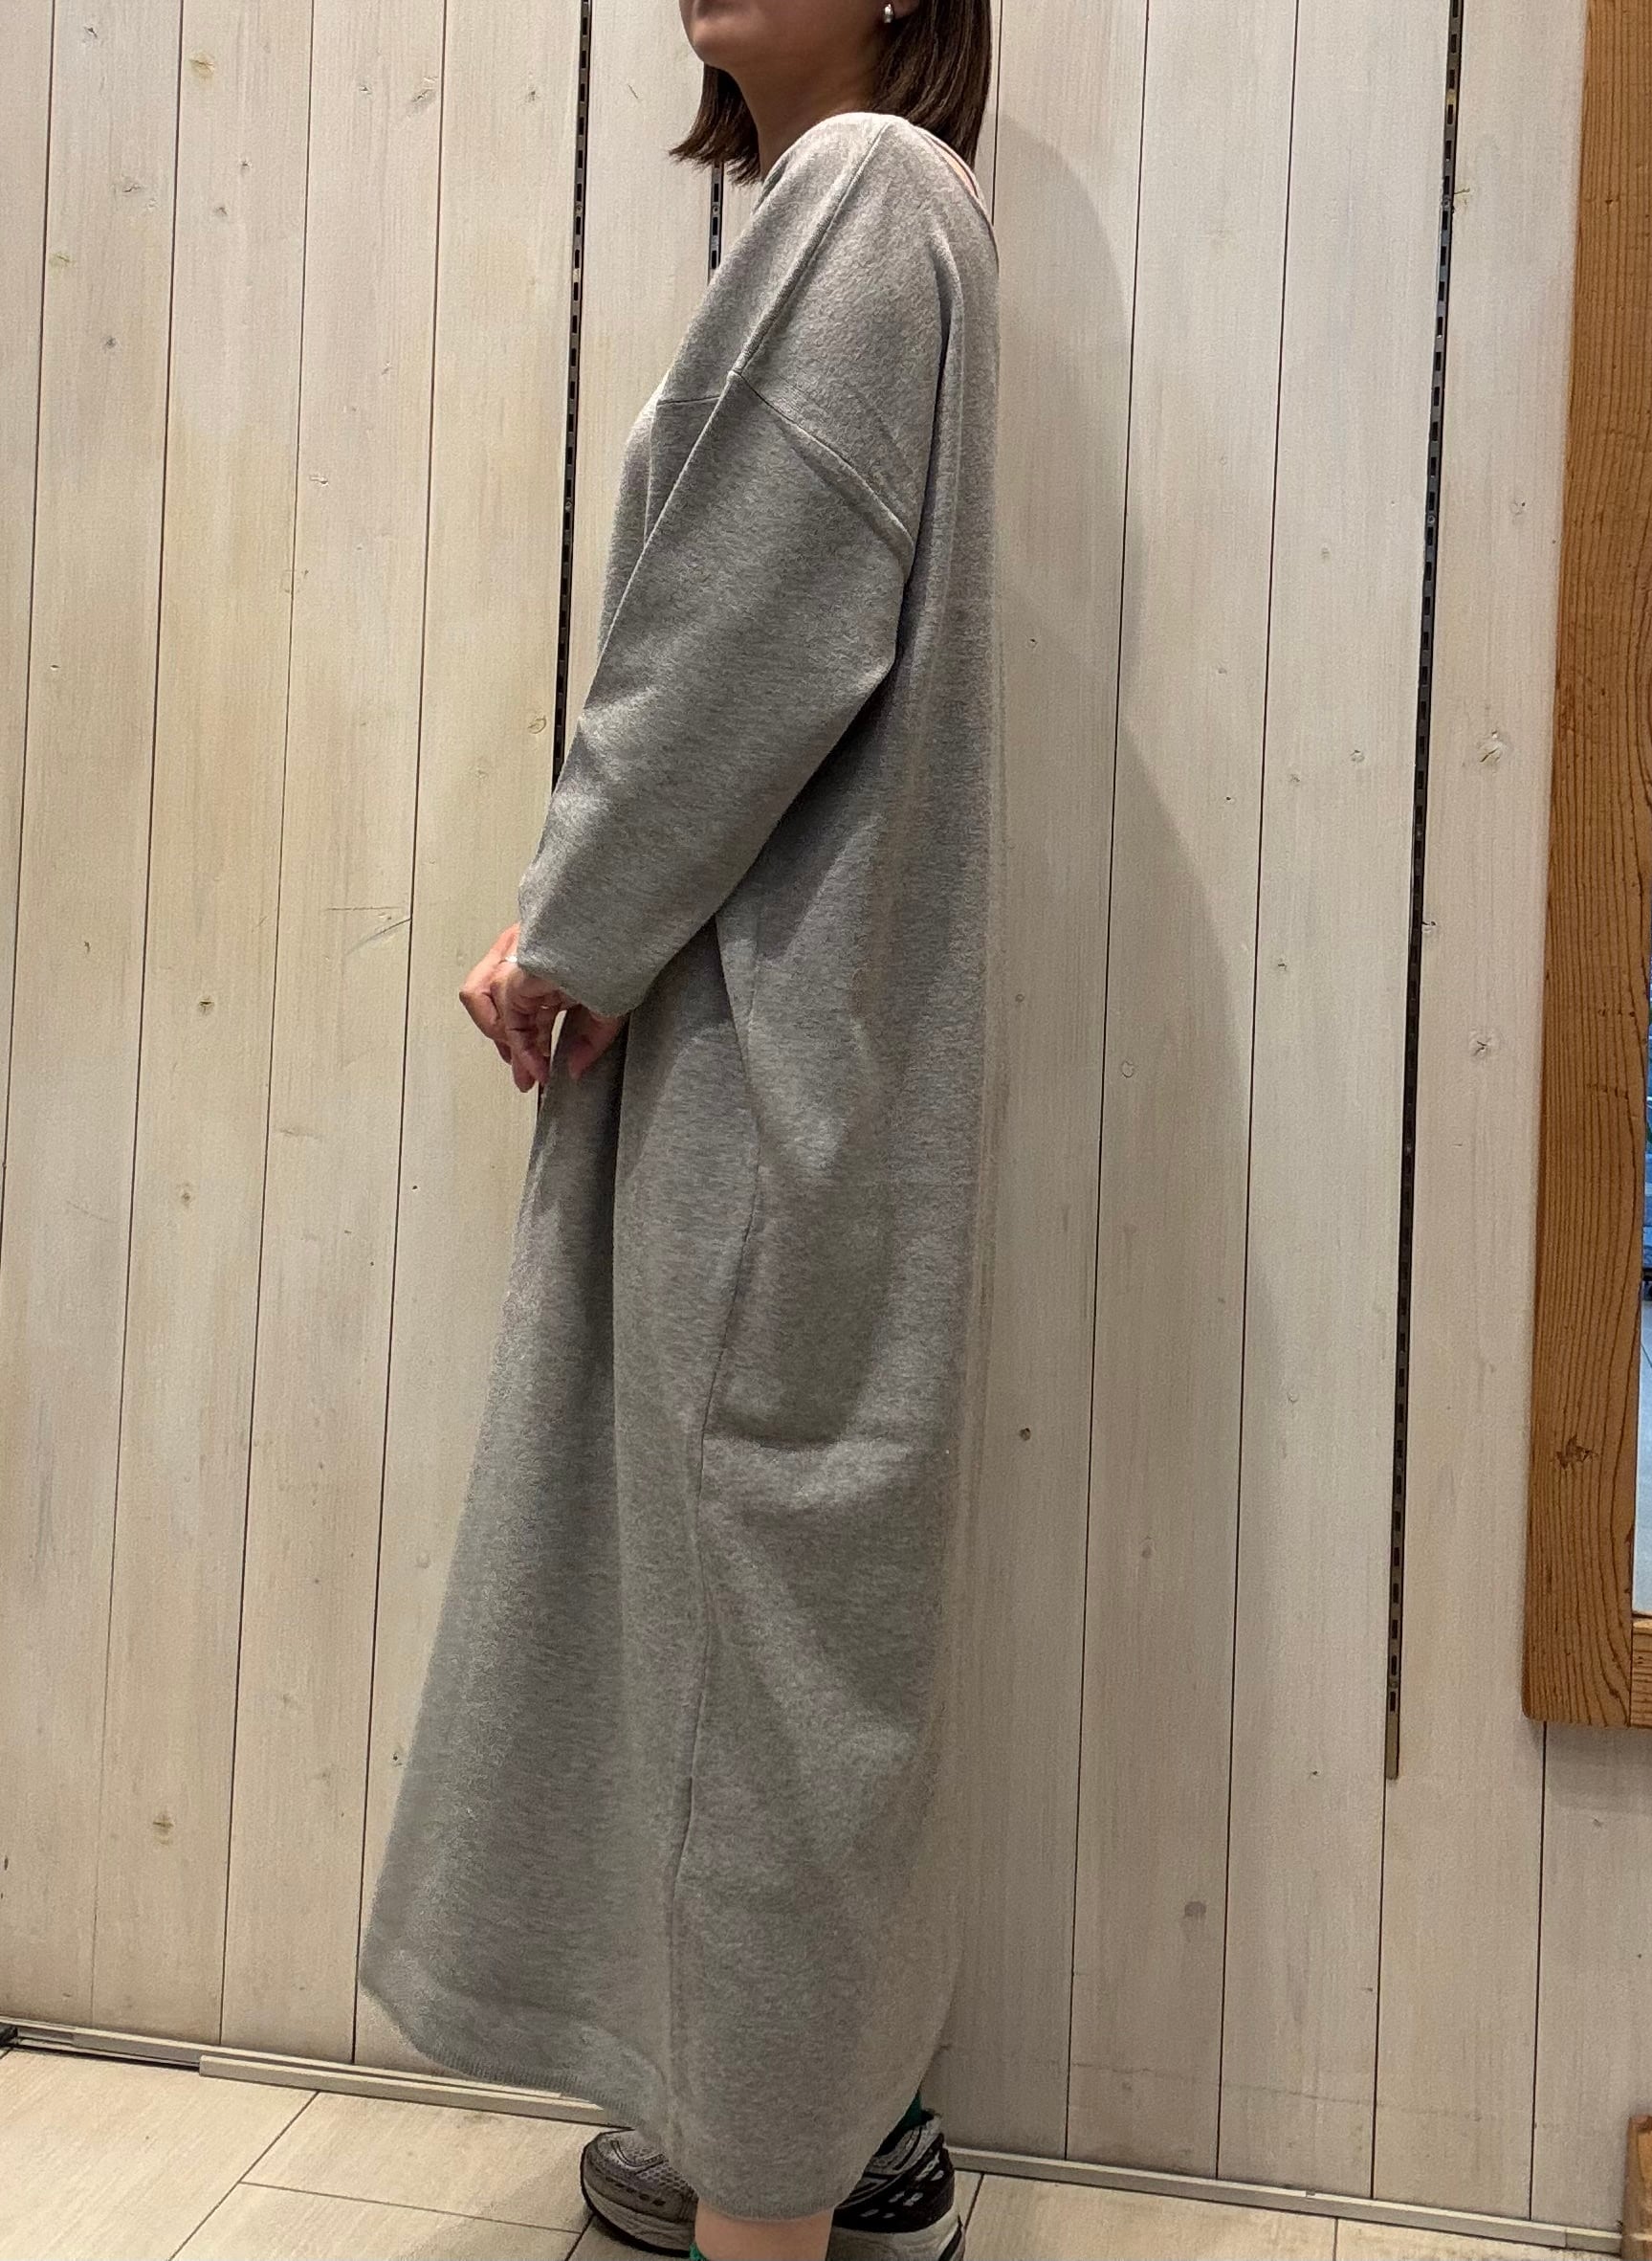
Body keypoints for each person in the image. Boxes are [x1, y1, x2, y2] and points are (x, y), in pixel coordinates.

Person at [357, 2, 1003, 2256]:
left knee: (754, 1647)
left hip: (766, 1060)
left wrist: (570, 926)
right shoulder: (894, 213)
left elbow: (747, 628)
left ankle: (771, 2195)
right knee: (783, 1632)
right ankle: (816, 2125)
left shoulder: (868, 191)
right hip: (811, 1052)